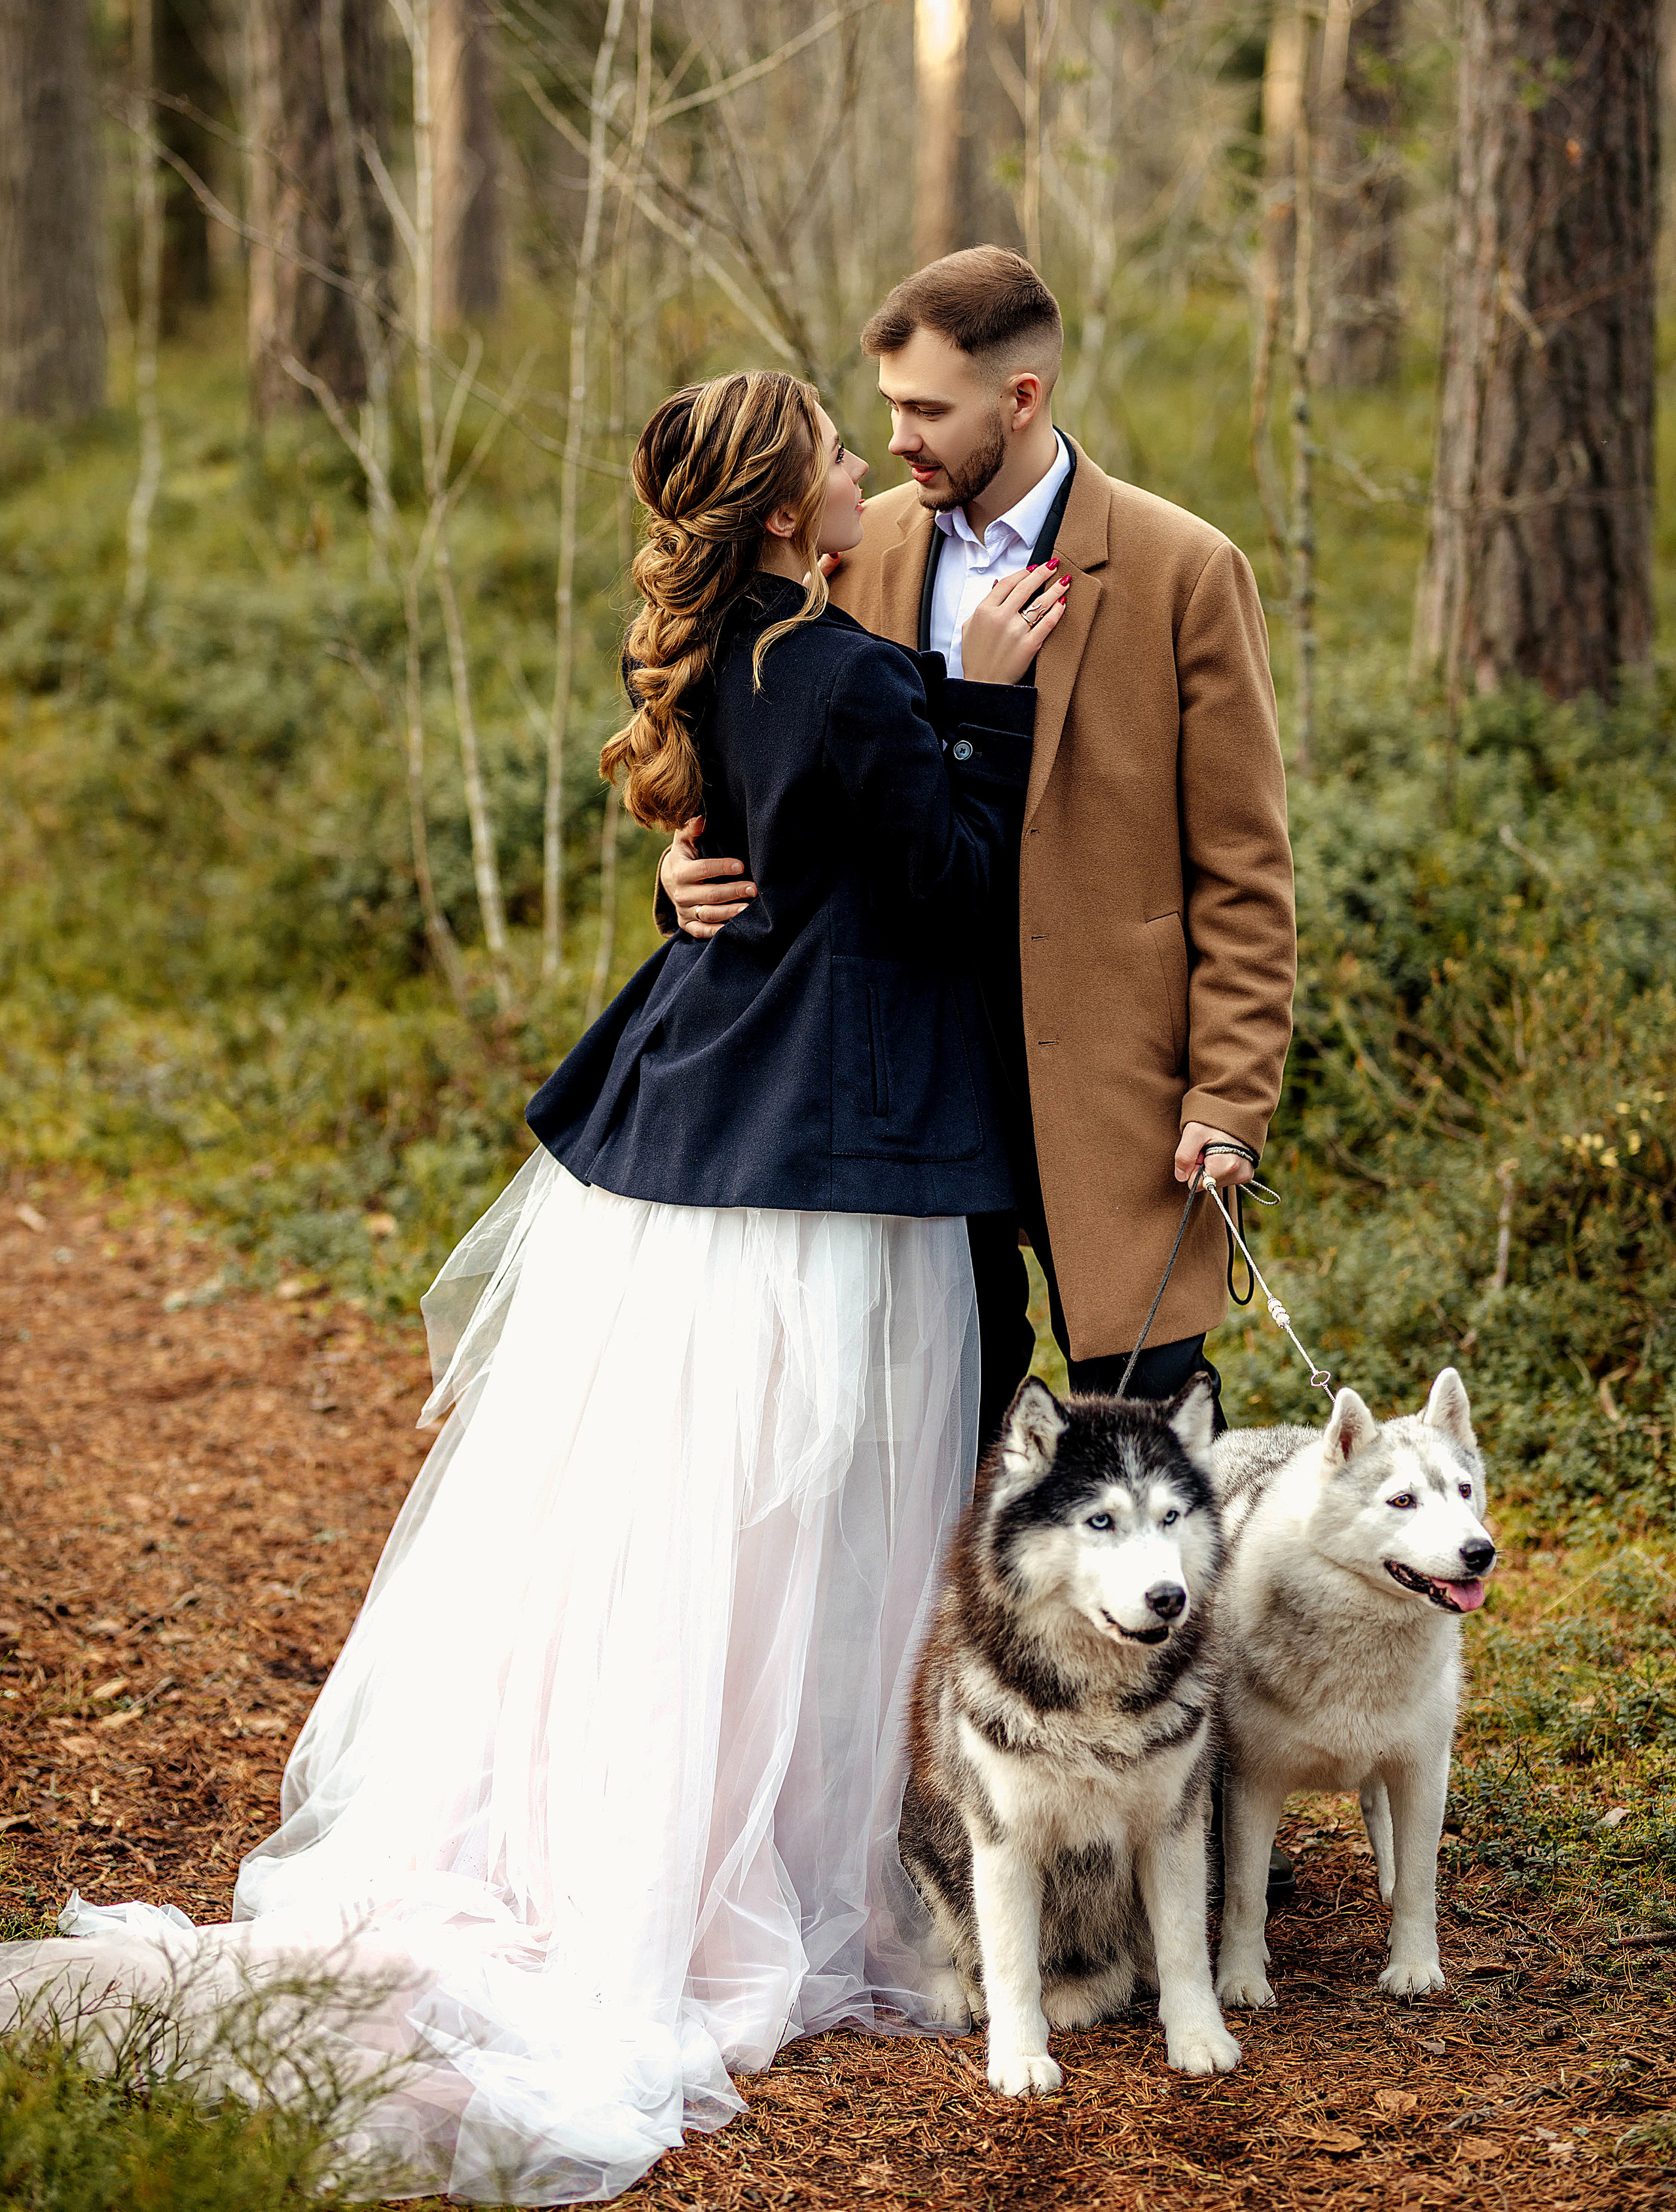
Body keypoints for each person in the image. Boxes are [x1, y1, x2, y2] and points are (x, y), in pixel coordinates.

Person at [1, 371, 1065, 2207]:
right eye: (832, 446)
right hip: (828, 1171)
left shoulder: (721, 666)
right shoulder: (866, 671)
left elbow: (761, 861)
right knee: (815, 1534)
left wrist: (708, 864)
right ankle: (760, 1884)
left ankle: (669, 1845)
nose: (855, 467)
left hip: (684, 1156)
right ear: (790, 506)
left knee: (671, 1527)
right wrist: (985, 690)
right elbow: (951, 889)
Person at [660, 249, 1297, 1455]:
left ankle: (1154, 1652)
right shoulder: (854, 551)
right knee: (941, 1425)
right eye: (890, 406)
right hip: (909, 1075)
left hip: (1118, 1079)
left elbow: (1246, 871)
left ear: (1022, 399)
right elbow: (780, 768)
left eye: (926, 410)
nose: (895, 437)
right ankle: (955, 1649)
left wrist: (1229, 1095)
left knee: (1146, 1427)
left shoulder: (1185, 571)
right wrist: (683, 871)